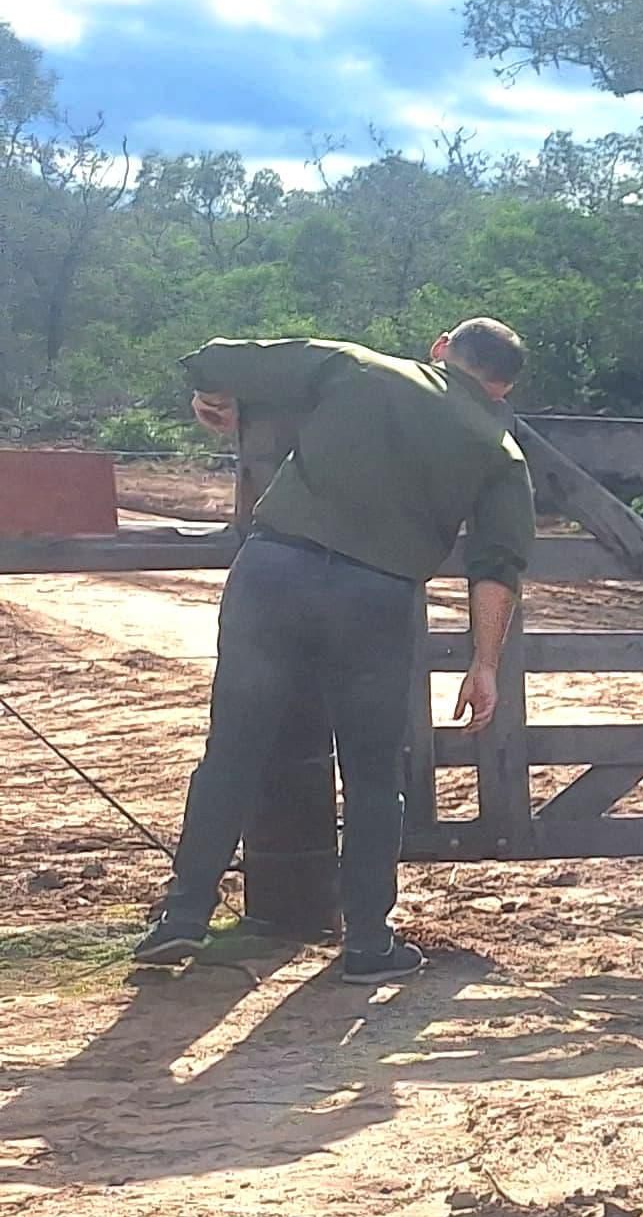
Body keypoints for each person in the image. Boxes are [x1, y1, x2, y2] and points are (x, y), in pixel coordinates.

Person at [134, 321, 536, 983]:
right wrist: (484, 663)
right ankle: (368, 943)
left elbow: (217, 351)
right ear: (503, 388)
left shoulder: (360, 366)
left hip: (273, 572)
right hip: (374, 598)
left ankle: (182, 918)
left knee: (232, 749)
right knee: (374, 772)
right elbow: (496, 568)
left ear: (440, 347)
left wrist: (212, 394)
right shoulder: (499, 448)